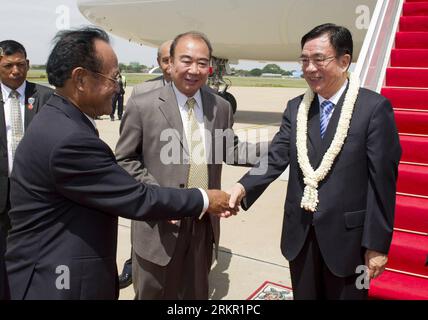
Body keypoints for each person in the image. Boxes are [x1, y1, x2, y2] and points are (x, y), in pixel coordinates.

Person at [5, 27, 235, 300]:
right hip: (58, 282)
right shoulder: (69, 139)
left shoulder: (59, 119)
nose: (117, 87)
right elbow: (136, 197)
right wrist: (204, 199)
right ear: (80, 79)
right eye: (112, 78)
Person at [228, 23, 401, 300]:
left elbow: (382, 183)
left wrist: (377, 245)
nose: (309, 68)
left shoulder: (373, 109)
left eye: (319, 59)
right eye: (304, 60)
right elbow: (276, 156)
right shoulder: (297, 107)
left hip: (349, 241)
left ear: (344, 61)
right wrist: (243, 186)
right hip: (301, 236)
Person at [115, 31, 259, 299]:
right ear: (169, 62)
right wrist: (162, 198)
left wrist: (281, 146)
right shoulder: (143, 103)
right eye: (187, 61)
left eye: (202, 63)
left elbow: (229, 148)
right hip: (159, 225)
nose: (195, 70)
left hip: (203, 224)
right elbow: (125, 159)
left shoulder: (220, 106)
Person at [117, 40, 173, 289]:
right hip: (152, 200)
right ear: (159, 63)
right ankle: (132, 265)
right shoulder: (141, 96)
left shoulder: (210, 100)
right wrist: (157, 193)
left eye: (177, 58)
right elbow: (127, 156)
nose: (171, 66)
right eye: (165, 60)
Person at [0, 40, 53, 300]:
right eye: (8, 66)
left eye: (21, 65)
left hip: (36, 198)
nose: (15, 71)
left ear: (28, 64)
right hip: (1, 200)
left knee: (36, 261)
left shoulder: (46, 97)